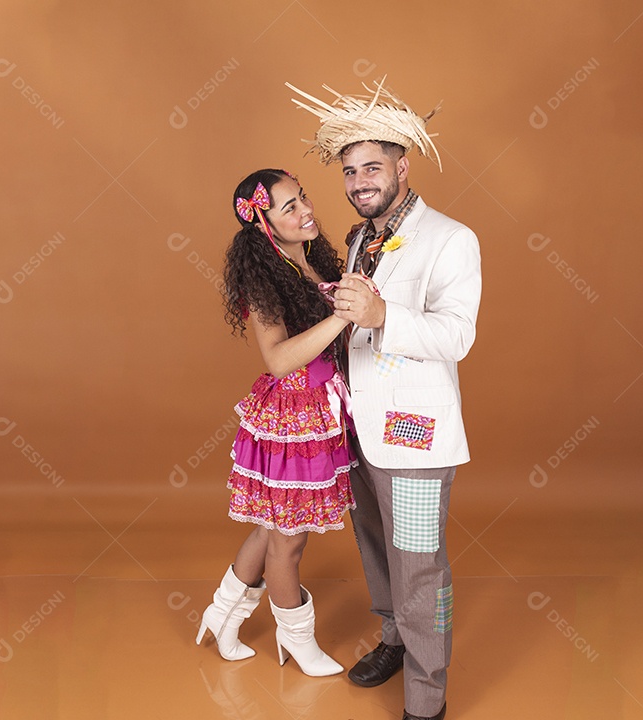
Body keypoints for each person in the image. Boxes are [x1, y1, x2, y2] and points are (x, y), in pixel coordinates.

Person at [287, 79, 482, 720]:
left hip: (415, 436)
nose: (360, 180)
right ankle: (394, 638)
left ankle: (428, 697)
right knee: (374, 542)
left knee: (419, 565)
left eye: (373, 167)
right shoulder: (360, 236)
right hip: (359, 428)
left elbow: (457, 336)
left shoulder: (451, 239)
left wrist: (381, 313)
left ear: (403, 165)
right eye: (350, 171)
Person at [196, 168, 365, 677]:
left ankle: (222, 614)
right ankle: (298, 641)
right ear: (264, 225)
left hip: (320, 406)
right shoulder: (263, 274)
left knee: (274, 527)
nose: (305, 210)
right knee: (288, 539)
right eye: (289, 207)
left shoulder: (311, 259)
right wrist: (343, 315)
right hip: (293, 415)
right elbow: (277, 358)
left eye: (303, 198)